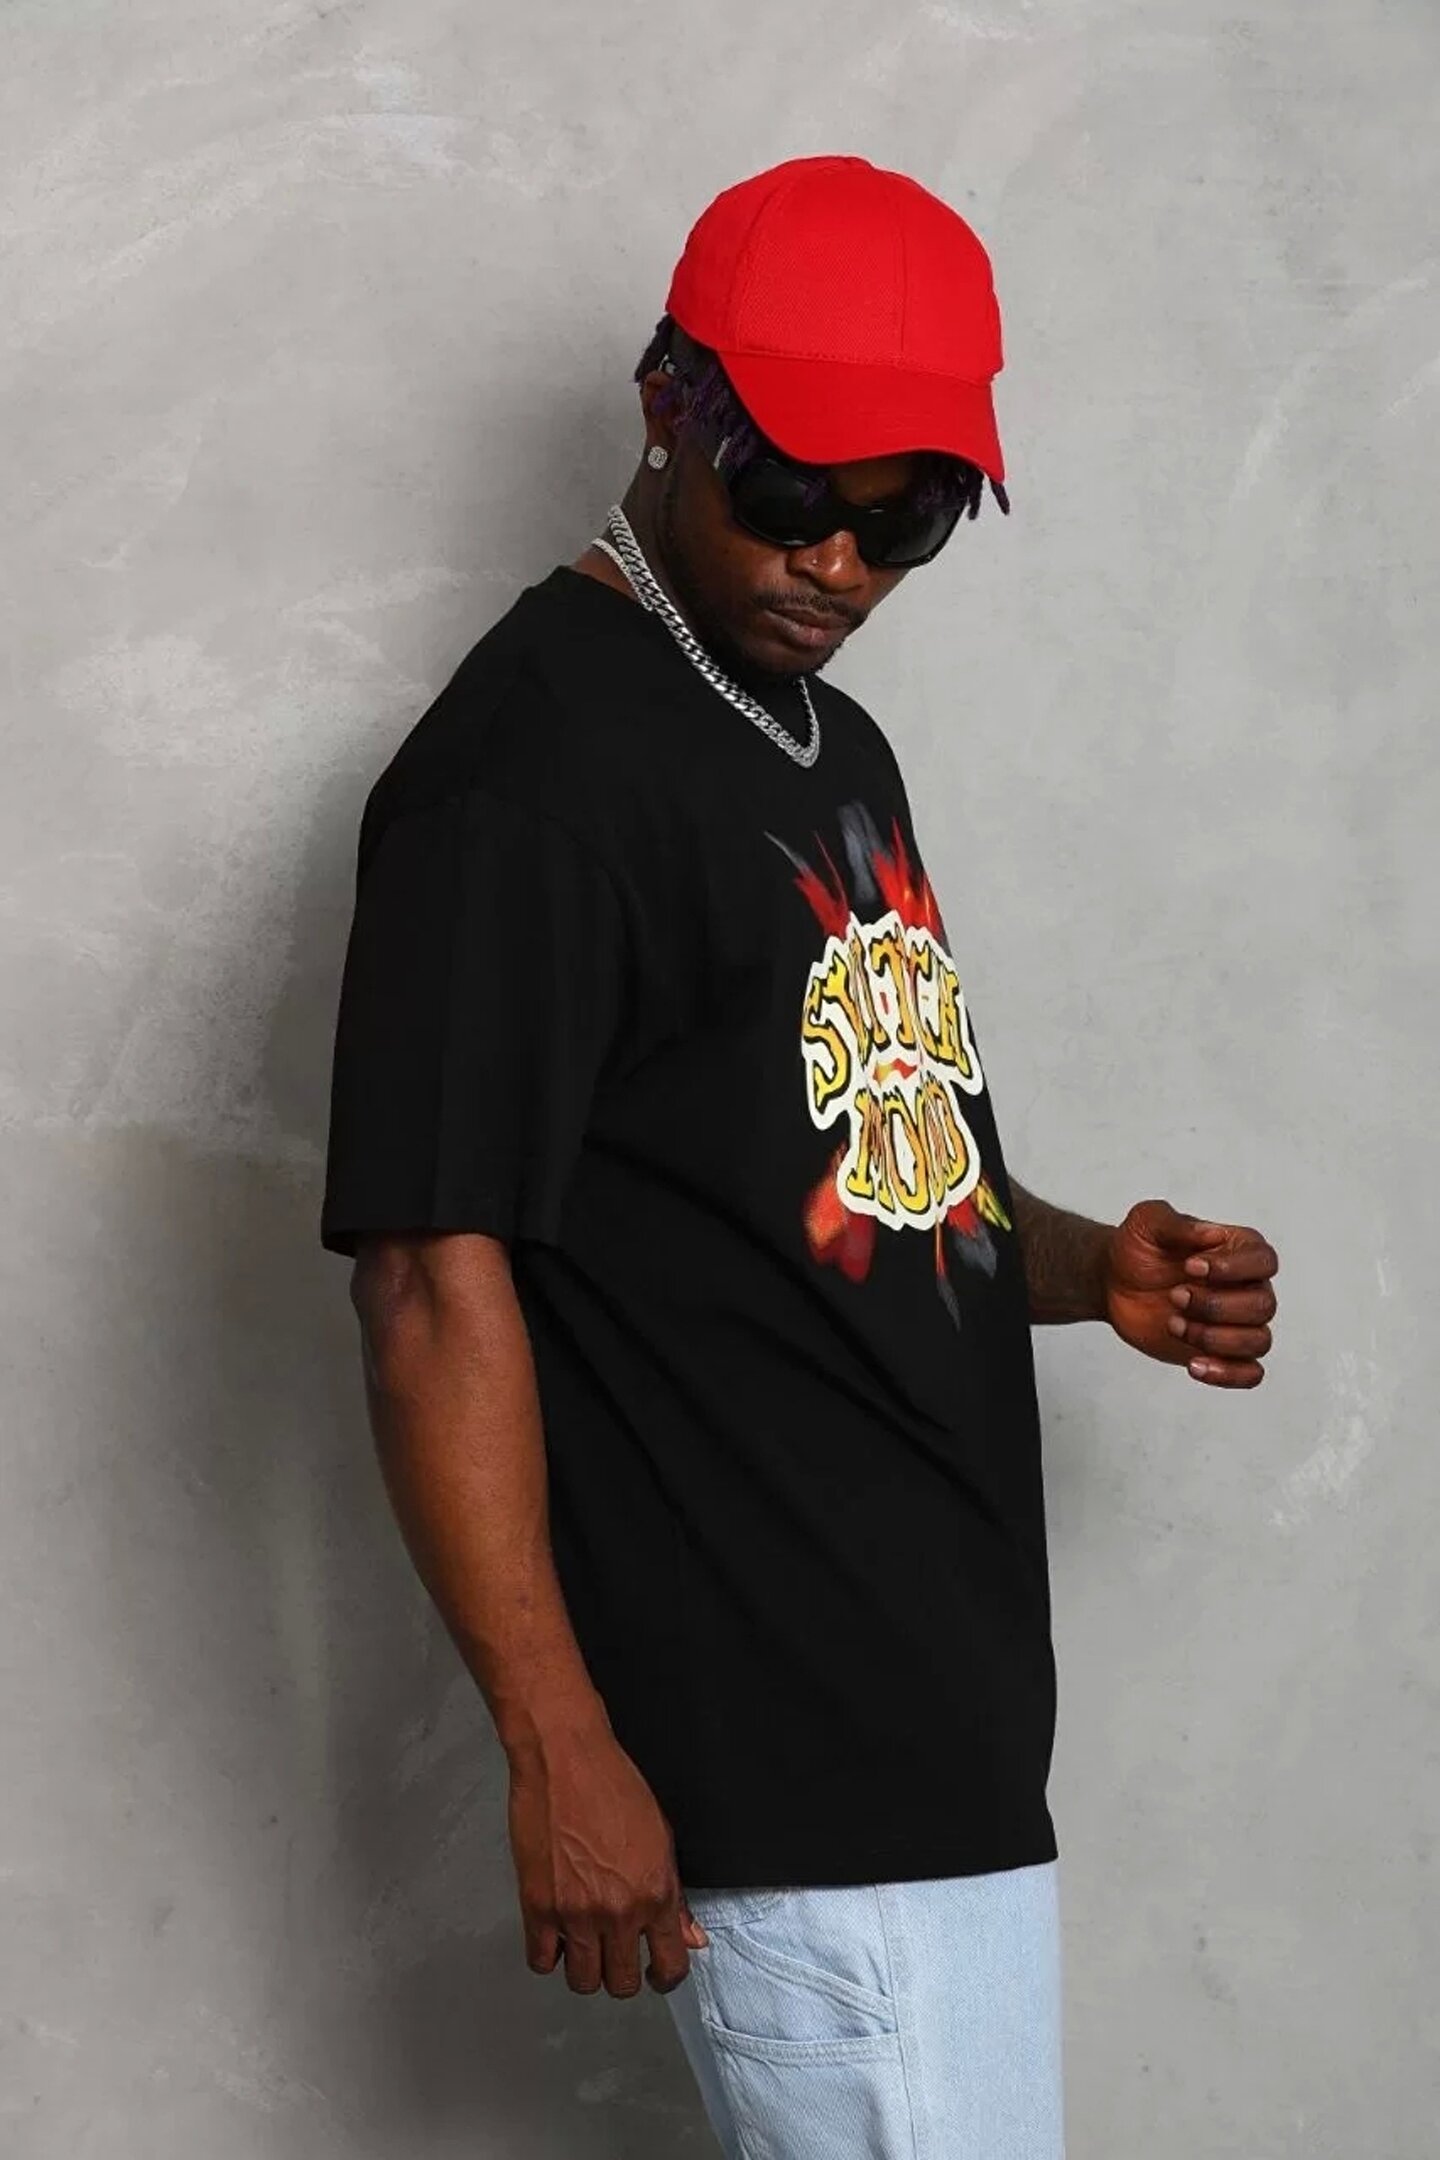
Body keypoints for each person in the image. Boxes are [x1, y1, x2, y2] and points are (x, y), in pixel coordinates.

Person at [319, 154, 1280, 2160]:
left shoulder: (819, 737)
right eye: (788, 489)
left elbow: (875, 1168)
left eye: (902, 517)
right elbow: (425, 1277)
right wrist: (557, 1738)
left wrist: (1088, 1265)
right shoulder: (523, 778)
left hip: (938, 1747)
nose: (836, 561)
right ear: (671, 406)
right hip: (783, 1748)